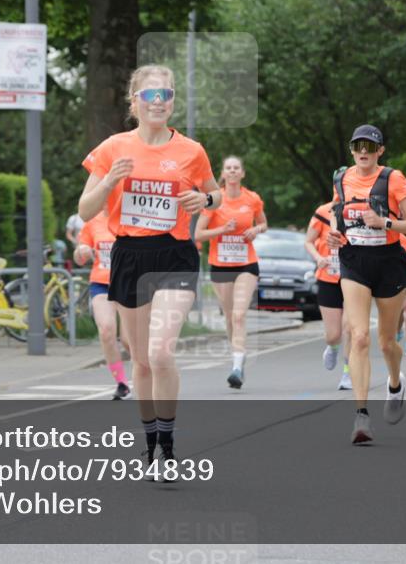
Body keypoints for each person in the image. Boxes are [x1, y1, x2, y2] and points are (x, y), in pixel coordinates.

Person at [78, 65, 220, 473]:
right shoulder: (112, 148)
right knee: (140, 359)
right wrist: (108, 184)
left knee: (160, 352)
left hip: (174, 254)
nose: (159, 102)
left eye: (166, 95)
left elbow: (213, 196)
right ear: (134, 101)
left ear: (173, 101)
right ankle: (151, 443)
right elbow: (86, 209)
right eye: (150, 95)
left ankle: (170, 445)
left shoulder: (191, 151)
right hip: (129, 255)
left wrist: (204, 203)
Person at [326, 124, 406, 445]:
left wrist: (385, 222)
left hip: (389, 261)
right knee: (360, 336)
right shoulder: (341, 177)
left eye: (370, 146)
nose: (363, 152)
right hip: (354, 260)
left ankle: (395, 383)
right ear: (351, 150)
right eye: (357, 146)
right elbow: (336, 213)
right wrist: (333, 233)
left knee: (385, 342)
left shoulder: (393, 179)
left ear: (380, 150)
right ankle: (361, 416)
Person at [195, 155, 267, 389]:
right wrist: (222, 230)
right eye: (229, 168)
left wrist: (255, 229)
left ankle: (236, 366)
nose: (233, 171)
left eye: (237, 168)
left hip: (246, 263)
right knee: (229, 317)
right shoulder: (214, 201)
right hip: (221, 265)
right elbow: (198, 235)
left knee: (238, 315)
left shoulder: (253, 198)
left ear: (242, 173)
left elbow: (263, 223)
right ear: (223, 174)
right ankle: (238, 356)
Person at [74, 208, 132, 400]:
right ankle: (122, 383)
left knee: (128, 340)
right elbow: (79, 258)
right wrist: (82, 252)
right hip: (101, 283)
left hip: (128, 282)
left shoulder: (130, 215)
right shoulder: (92, 221)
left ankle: (147, 374)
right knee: (106, 331)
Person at [305, 197, 352, 390]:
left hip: (353, 279)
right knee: (334, 335)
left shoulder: (359, 211)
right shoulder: (323, 211)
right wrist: (318, 258)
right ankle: (332, 347)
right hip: (328, 278)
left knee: (350, 328)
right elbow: (308, 241)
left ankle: (348, 373)